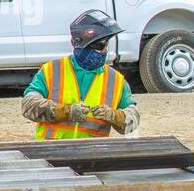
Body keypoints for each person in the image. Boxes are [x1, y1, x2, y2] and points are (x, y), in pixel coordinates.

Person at [22, 10, 140, 139]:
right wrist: (65, 111)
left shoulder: (116, 80)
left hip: (93, 155)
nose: (103, 50)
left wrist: (114, 116)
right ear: (81, 44)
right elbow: (28, 105)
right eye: (99, 44)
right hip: (51, 152)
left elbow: (133, 118)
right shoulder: (52, 70)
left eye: (106, 44)